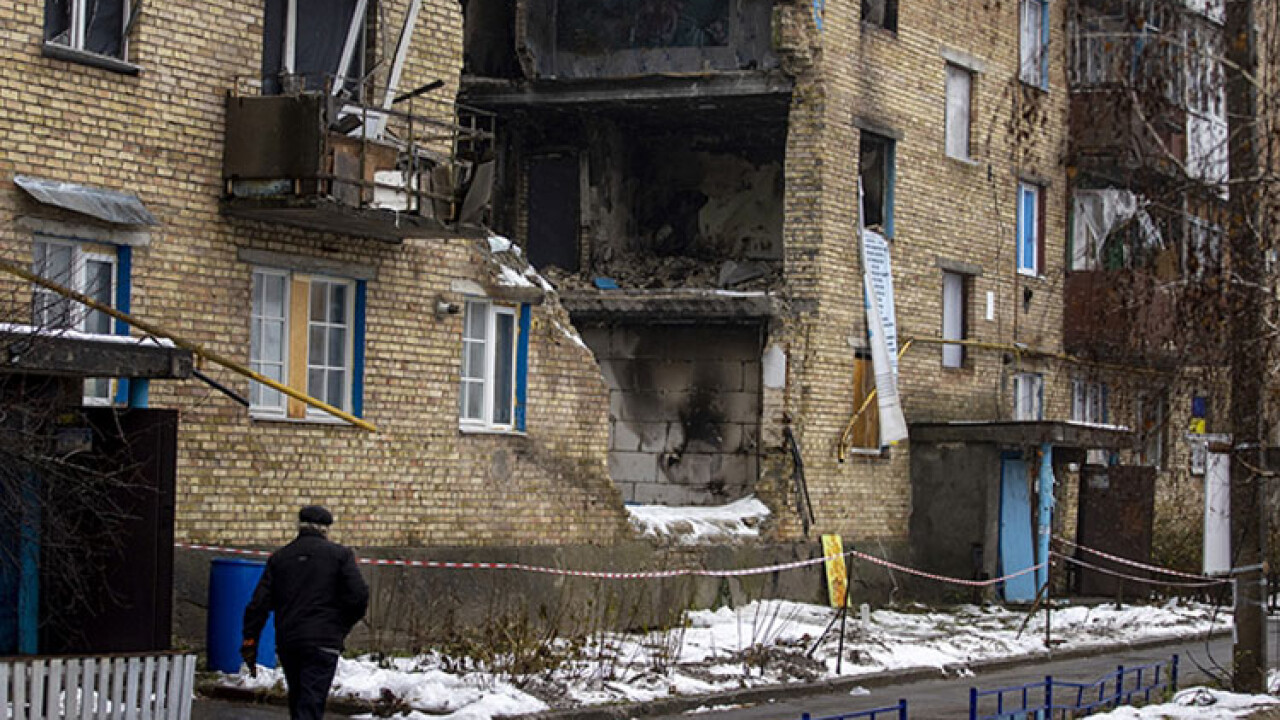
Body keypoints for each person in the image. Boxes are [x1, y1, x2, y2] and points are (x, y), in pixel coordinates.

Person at [242, 505, 369, 720]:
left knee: (299, 698)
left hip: (289, 640)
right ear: (326, 529)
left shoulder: (280, 558)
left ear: (299, 526)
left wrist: (250, 640)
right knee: (311, 702)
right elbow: (359, 596)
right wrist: (340, 627)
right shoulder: (340, 556)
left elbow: (258, 605)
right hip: (324, 641)